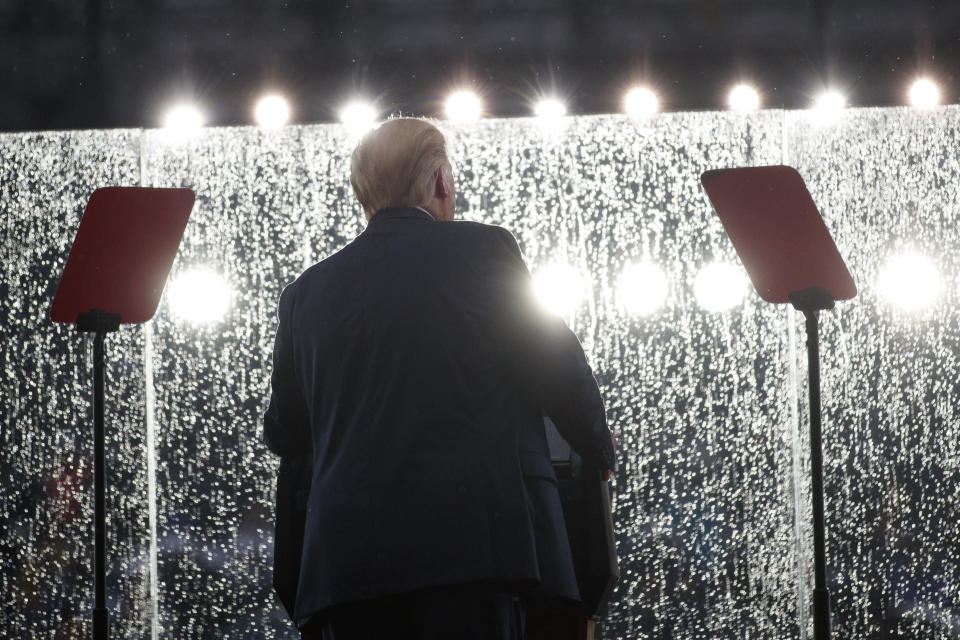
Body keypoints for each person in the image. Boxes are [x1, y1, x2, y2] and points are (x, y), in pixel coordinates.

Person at [264, 117, 616, 640]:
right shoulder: (482, 253)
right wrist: (599, 450)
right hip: (470, 554)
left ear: (363, 194)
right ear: (441, 182)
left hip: (347, 566)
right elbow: (557, 367)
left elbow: (284, 432)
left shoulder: (305, 294)